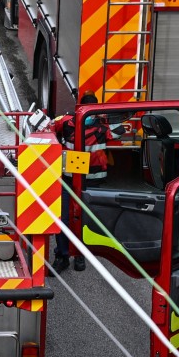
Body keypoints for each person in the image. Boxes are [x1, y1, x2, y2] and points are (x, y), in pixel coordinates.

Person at [51, 93, 128, 274]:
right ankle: (63, 256)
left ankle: (78, 255)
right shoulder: (75, 124)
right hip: (74, 180)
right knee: (65, 219)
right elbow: (53, 125)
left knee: (81, 220)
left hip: (88, 182)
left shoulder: (82, 124)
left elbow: (120, 131)